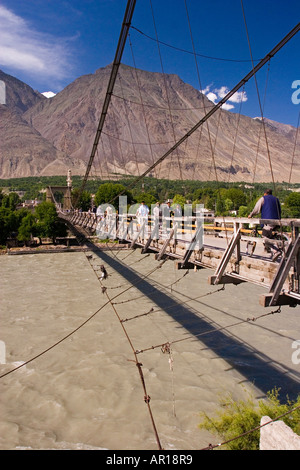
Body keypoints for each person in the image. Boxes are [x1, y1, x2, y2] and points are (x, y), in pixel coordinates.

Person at [248, 189, 282, 261]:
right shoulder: (276, 199)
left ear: (265, 193)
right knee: (271, 237)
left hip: (268, 221)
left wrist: (250, 215)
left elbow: (256, 209)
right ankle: (275, 248)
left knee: (264, 238)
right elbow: (280, 210)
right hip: (277, 221)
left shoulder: (263, 198)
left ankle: (275, 251)